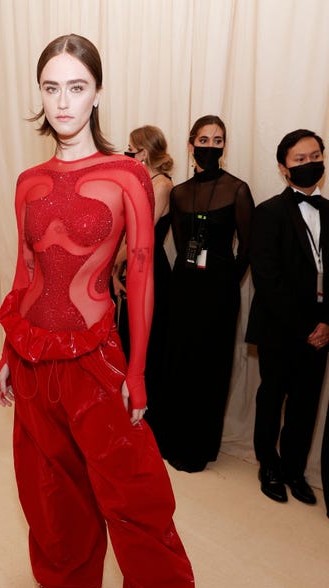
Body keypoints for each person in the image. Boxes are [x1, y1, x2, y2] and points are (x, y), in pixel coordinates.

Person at [0, 34, 215, 588]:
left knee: (138, 498)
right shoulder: (28, 181)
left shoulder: (125, 176)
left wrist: (138, 372)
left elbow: (141, 277)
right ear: (40, 93)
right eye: (51, 87)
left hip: (96, 358)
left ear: (97, 92)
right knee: (48, 486)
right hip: (33, 354)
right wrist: (7, 351)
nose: (63, 101)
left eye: (76, 87)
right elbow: (26, 269)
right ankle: (65, 579)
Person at [160, 115, 254, 472]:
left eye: (218, 141)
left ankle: (200, 446)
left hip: (219, 291)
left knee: (211, 366)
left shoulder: (237, 189)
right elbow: (183, 245)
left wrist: (229, 280)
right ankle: (173, 437)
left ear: (224, 146)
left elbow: (247, 246)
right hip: (184, 289)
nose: (210, 146)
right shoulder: (180, 192)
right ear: (190, 144)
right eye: (204, 139)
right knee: (180, 361)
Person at [246, 129, 329, 505]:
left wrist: (325, 323)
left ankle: (295, 470)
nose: (310, 164)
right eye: (300, 159)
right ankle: (268, 464)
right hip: (280, 326)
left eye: (316, 157)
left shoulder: (328, 211)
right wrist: (303, 327)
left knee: (306, 402)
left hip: (321, 327)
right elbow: (267, 278)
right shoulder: (268, 212)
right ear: (283, 168)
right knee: (272, 396)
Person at [112, 125, 173, 439]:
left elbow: (140, 236)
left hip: (148, 267)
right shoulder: (140, 180)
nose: (128, 153)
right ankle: (125, 414)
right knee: (125, 340)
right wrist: (112, 271)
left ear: (145, 151)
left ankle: (144, 420)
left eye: (131, 148)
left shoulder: (161, 184)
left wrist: (111, 261)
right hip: (128, 265)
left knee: (144, 343)